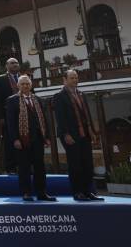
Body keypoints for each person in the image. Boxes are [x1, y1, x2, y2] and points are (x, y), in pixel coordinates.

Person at [54, 70, 103, 201]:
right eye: (72, 78)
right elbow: (60, 118)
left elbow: (87, 115)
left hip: (84, 134)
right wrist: (65, 134)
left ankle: (89, 191)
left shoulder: (82, 94)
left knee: (87, 163)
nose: (75, 80)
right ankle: (77, 192)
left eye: (76, 77)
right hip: (70, 135)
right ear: (65, 80)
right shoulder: (60, 96)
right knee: (75, 165)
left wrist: (92, 131)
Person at [6, 75, 56, 202]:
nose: (25, 86)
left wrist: (48, 137)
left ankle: (42, 192)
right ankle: (26, 193)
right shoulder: (12, 100)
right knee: (24, 168)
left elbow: (45, 119)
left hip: (38, 139)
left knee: (40, 167)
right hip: (22, 140)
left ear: (31, 85)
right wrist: (15, 139)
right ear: (18, 86)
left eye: (27, 84)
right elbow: (10, 123)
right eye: (22, 84)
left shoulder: (38, 100)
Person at [0, 58, 21, 174]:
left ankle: (25, 165)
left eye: (16, 63)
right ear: (6, 66)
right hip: (8, 117)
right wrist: (0, 117)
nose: (15, 65)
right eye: (12, 63)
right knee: (9, 142)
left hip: (24, 117)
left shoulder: (24, 78)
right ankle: (10, 167)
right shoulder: (0, 80)